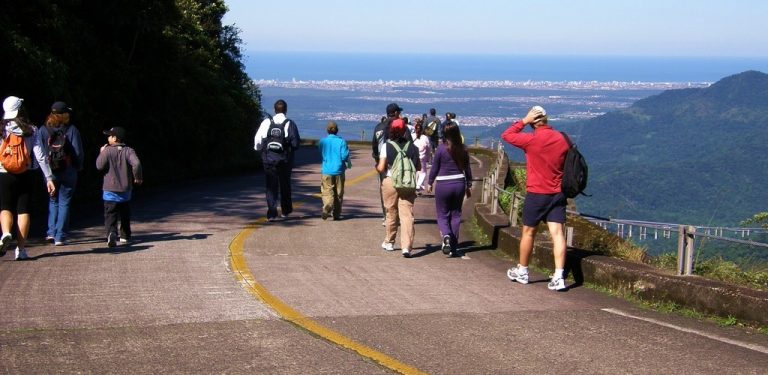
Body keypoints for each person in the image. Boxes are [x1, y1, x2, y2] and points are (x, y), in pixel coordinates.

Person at [501, 106, 570, 291]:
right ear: (547, 119)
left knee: (528, 233)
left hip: (537, 193)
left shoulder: (531, 139)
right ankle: (559, 276)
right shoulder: (562, 138)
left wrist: (523, 120)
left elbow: (507, 135)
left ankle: (522, 271)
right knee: (558, 234)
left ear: (533, 122)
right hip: (557, 193)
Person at [0, 96, 57, 260]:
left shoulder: (1, 128)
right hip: (26, 173)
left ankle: (5, 233)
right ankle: (21, 250)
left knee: (5, 207)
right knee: (23, 210)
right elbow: (40, 156)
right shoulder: (31, 129)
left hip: (4, 173)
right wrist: (49, 177)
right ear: (20, 109)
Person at [38, 101, 84, 246]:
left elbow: (39, 151)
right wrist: (78, 166)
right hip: (68, 169)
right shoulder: (71, 129)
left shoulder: (44, 129)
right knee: (64, 202)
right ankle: (60, 236)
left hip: (50, 171)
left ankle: (51, 232)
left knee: (53, 201)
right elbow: (78, 152)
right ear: (65, 114)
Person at [427, 121, 472, 257]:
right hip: (459, 183)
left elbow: (435, 167)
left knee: (442, 214)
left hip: (443, 184)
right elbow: (467, 169)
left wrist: (430, 182)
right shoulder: (463, 149)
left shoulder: (441, 148)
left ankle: (446, 235)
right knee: (456, 214)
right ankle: (453, 245)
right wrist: (468, 185)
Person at [376, 118, 420, 258]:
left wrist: (377, 167)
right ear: (405, 130)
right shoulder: (413, 148)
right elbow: (418, 167)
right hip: (407, 183)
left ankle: (389, 242)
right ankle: (406, 247)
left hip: (390, 181)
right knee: (407, 214)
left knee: (391, 211)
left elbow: (381, 167)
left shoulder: (386, 146)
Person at [254, 99, 301, 221]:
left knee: (271, 186)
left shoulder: (266, 122)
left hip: (268, 159)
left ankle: (272, 213)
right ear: (285, 110)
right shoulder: (289, 123)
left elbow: (258, 142)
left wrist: (260, 150)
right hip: (285, 160)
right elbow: (296, 144)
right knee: (285, 184)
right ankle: (286, 211)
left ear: (274, 110)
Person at [96, 126, 143, 247]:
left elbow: (99, 166)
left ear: (115, 138)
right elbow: (136, 163)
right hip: (125, 190)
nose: (108, 137)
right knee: (125, 214)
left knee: (110, 214)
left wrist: (101, 153)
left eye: (110, 135)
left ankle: (111, 233)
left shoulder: (106, 150)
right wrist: (137, 177)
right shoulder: (128, 150)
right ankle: (125, 236)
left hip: (109, 190)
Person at [371, 103, 411, 224]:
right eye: (399, 112)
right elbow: (409, 144)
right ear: (395, 113)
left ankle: (387, 216)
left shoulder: (378, 127)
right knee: (401, 189)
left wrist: (377, 159)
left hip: (382, 163)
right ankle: (398, 215)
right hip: (400, 163)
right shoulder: (403, 127)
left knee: (385, 190)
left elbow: (374, 146)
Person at [318, 121, 350, 220]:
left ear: (327, 130)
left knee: (327, 190)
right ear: (337, 130)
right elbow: (344, 156)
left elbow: (321, 153)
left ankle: (327, 205)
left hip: (327, 169)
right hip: (339, 170)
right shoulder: (341, 141)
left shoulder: (322, 141)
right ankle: (336, 214)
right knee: (338, 193)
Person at [412, 120, 431, 193]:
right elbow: (428, 149)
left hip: (413, 157)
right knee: (423, 173)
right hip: (422, 157)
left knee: (416, 172)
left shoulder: (412, 136)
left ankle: (417, 185)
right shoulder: (425, 138)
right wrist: (428, 158)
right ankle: (418, 185)